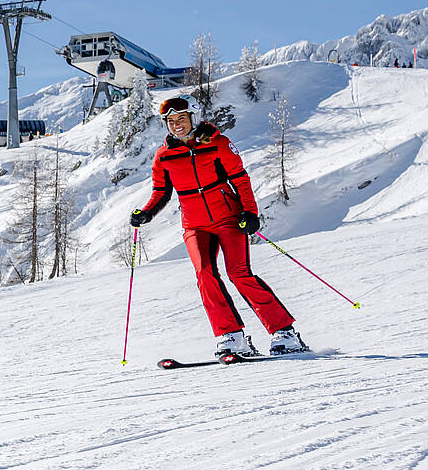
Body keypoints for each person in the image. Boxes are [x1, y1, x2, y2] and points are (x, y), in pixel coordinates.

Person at [130, 96, 307, 358]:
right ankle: (232, 336)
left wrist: (250, 212)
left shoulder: (218, 144)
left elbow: (240, 179)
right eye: (171, 121)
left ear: (193, 117)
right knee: (205, 274)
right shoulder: (164, 156)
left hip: (228, 218)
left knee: (239, 273)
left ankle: (284, 332)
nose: (177, 125)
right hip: (194, 225)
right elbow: (161, 192)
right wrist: (146, 212)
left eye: (181, 118)